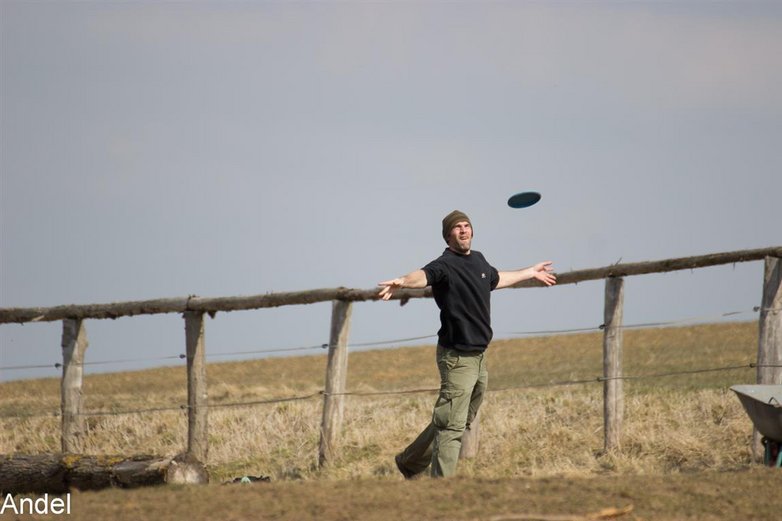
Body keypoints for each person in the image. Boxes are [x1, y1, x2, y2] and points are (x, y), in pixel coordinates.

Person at [377, 210, 556, 478]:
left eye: (466, 226)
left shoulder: (480, 261)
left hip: (480, 357)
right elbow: (423, 276)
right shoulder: (444, 265)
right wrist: (403, 281)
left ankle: (410, 462)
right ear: (448, 235)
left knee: (457, 419)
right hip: (457, 358)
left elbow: (497, 279)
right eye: (457, 227)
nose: (463, 230)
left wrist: (530, 272)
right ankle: (443, 488)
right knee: (451, 424)